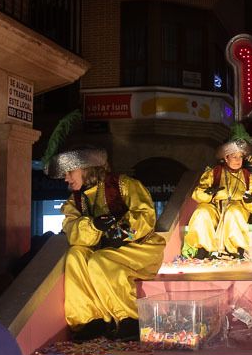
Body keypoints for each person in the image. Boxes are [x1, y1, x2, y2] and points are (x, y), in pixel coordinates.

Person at [44, 146, 166, 342]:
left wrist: (121, 231)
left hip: (139, 249)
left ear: (86, 168)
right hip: (104, 250)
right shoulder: (75, 200)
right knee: (75, 255)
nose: (66, 178)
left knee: (100, 260)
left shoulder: (124, 185)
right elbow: (72, 232)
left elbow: (146, 216)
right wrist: (94, 225)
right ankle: (91, 320)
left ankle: (130, 319)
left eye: (70, 172)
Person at [182, 129, 252, 260]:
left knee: (233, 212)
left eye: (240, 157)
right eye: (234, 156)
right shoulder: (213, 173)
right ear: (226, 158)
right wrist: (208, 193)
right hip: (215, 207)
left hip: (237, 207)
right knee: (202, 212)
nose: (238, 160)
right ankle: (203, 249)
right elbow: (198, 194)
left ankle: (235, 249)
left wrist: (250, 200)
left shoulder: (248, 177)